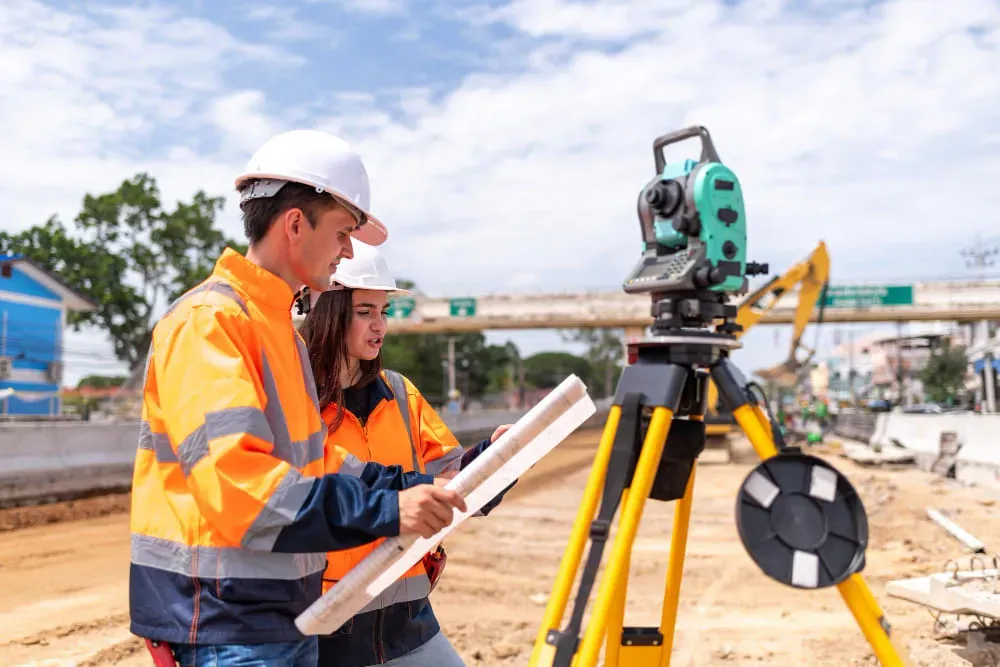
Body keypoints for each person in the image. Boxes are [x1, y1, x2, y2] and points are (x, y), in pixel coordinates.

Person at [128, 129, 466, 667]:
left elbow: (318, 463)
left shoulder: (279, 333)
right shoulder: (209, 323)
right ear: (294, 225)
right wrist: (389, 509)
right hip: (226, 625)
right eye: (342, 232)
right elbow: (240, 488)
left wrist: (418, 485)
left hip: (283, 615)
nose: (348, 250)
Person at [298, 242, 517, 667]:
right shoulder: (297, 400)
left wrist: (496, 458)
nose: (379, 325)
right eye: (364, 312)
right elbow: (341, 481)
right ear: (328, 312)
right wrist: (429, 489)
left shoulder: (400, 393)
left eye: (383, 311)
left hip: (409, 624)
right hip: (329, 631)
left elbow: (453, 478)